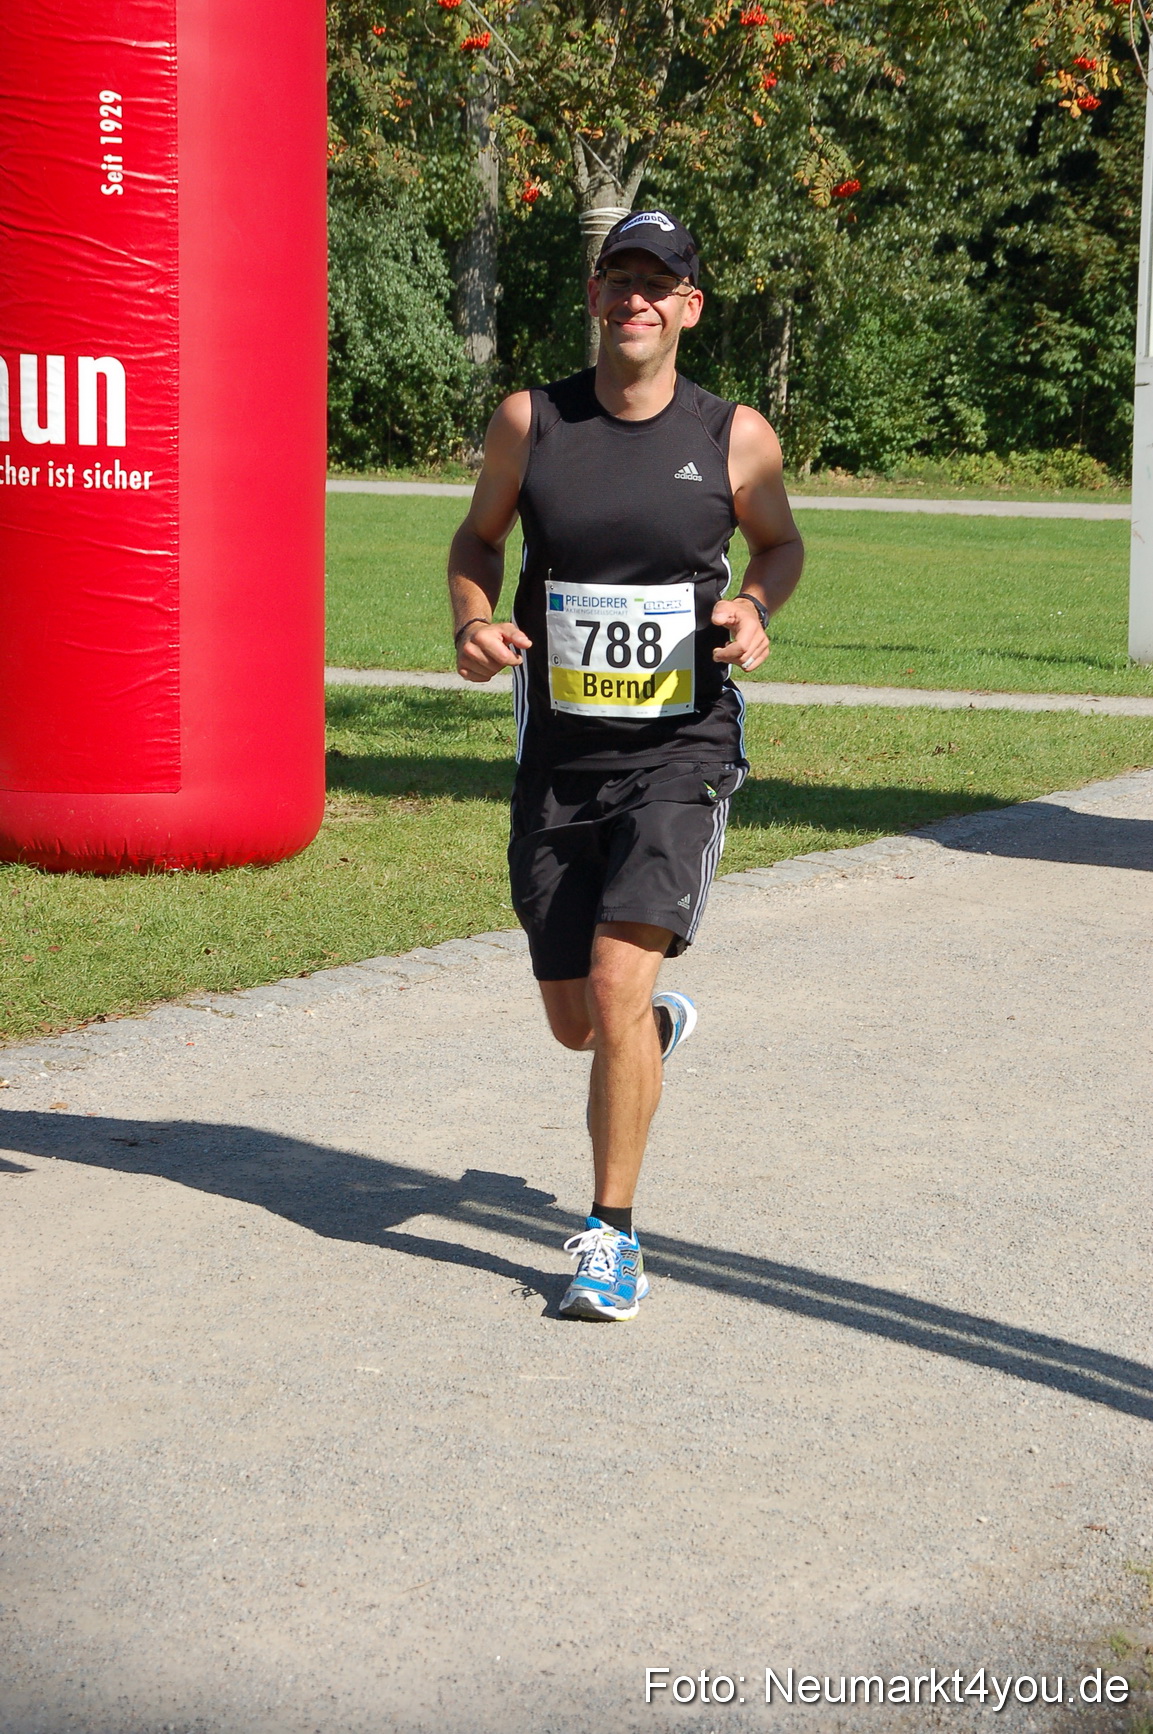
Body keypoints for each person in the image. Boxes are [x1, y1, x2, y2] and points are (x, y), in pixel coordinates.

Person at [447, 209, 803, 1320]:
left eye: (660, 283)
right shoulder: (530, 420)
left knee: (611, 980)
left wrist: (751, 603)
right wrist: (469, 616)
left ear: (689, 306)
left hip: (679, 745)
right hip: (558, 748)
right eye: (620, 280)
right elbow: (478, 540)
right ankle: (643, 1034)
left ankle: (611, 1238)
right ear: (594, 298)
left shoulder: (733, 434)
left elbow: (779, 543)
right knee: (577, 1019)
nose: (637, 300)